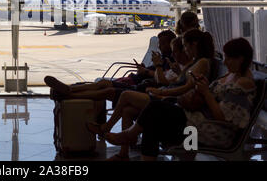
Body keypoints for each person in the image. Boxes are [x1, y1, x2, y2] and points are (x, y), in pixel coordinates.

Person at [101, 37, 256, 161]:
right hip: (197, 122)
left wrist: (206, 93)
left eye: (229, 58)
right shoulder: (232, 75)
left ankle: (129, 135)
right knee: (151, 123)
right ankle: (129, 136)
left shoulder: (243, 83)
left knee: (155, 108)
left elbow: (224, 118)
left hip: (209, 131)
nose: (225, 62)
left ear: (240, 59)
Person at [44, 30, 177, 104]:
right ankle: (69, 89)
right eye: (159, 43)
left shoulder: (170, 61)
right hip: (136, 81)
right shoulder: (163, 57)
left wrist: (148, 70)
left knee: (104, 86)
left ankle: (69, 92)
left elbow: (162, 79)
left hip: (139, 86)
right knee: (102, 84)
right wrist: (144, 69)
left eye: (163, 44)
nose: (159, 46)